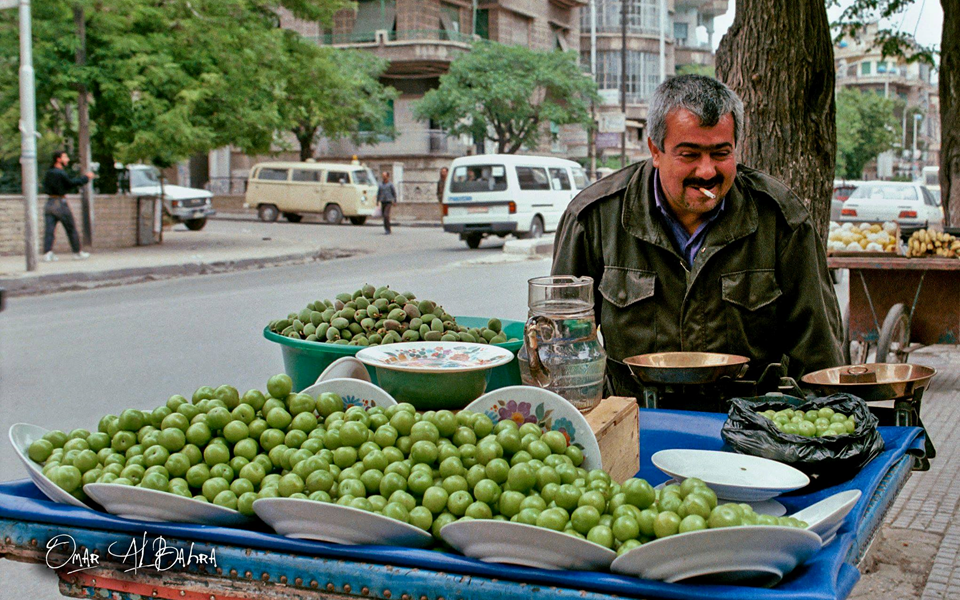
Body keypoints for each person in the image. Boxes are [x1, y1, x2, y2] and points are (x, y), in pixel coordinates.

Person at [552, 75, 843, 406]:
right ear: (655, 150)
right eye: (689, 154)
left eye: (721, 153)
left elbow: (820, 357)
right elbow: (561, 349)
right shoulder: (593, 218)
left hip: (749, 430)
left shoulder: (781, 220)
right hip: (636, 426)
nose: (707, 172)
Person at [42, 150, 93, 261]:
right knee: (71, 228)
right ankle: (77, 252)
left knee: (49, 229)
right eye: (65, 157)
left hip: (49, 203)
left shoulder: (49, 172)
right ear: (58, 159)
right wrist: (86, 178)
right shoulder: (60, 173)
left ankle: (47, 252)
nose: (67, 159)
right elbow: (70, 183)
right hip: (60, 203)